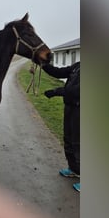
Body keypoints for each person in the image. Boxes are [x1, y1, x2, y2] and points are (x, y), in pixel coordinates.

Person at [42, 61, 80, 192]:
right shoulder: (78, 66)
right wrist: (43, 64)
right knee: (68, 139)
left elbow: (76, 91)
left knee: (79, 143)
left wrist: (55, 91)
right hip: (70, 107)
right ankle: (75, 169)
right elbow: (59, 72)